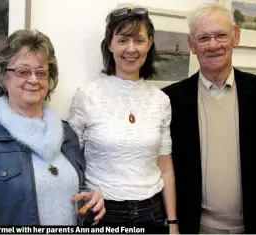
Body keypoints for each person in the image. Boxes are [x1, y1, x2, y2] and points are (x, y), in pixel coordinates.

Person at [0, 29, 105, 226]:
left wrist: (90, 199)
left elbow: (75, 193)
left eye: (41, 72)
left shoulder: (67, 134)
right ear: (4, 76)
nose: (33, 79)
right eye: (23, 71)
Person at [162, 3, 256, 234]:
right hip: (195, 228)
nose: (213, 45)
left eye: (220, 35)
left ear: (236, 37)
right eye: (204, 38)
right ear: (191, 45)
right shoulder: (170, 100)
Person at [68, 6, 178, 234]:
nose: (131, 49)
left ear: (149, 43)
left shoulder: (161, 101)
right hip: (102, 213)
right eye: (122, 40)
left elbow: (165, 166)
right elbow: (71, 162)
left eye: (138, 40)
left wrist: (172, 222)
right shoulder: (87, 95)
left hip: (152, 214)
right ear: (110, 44)